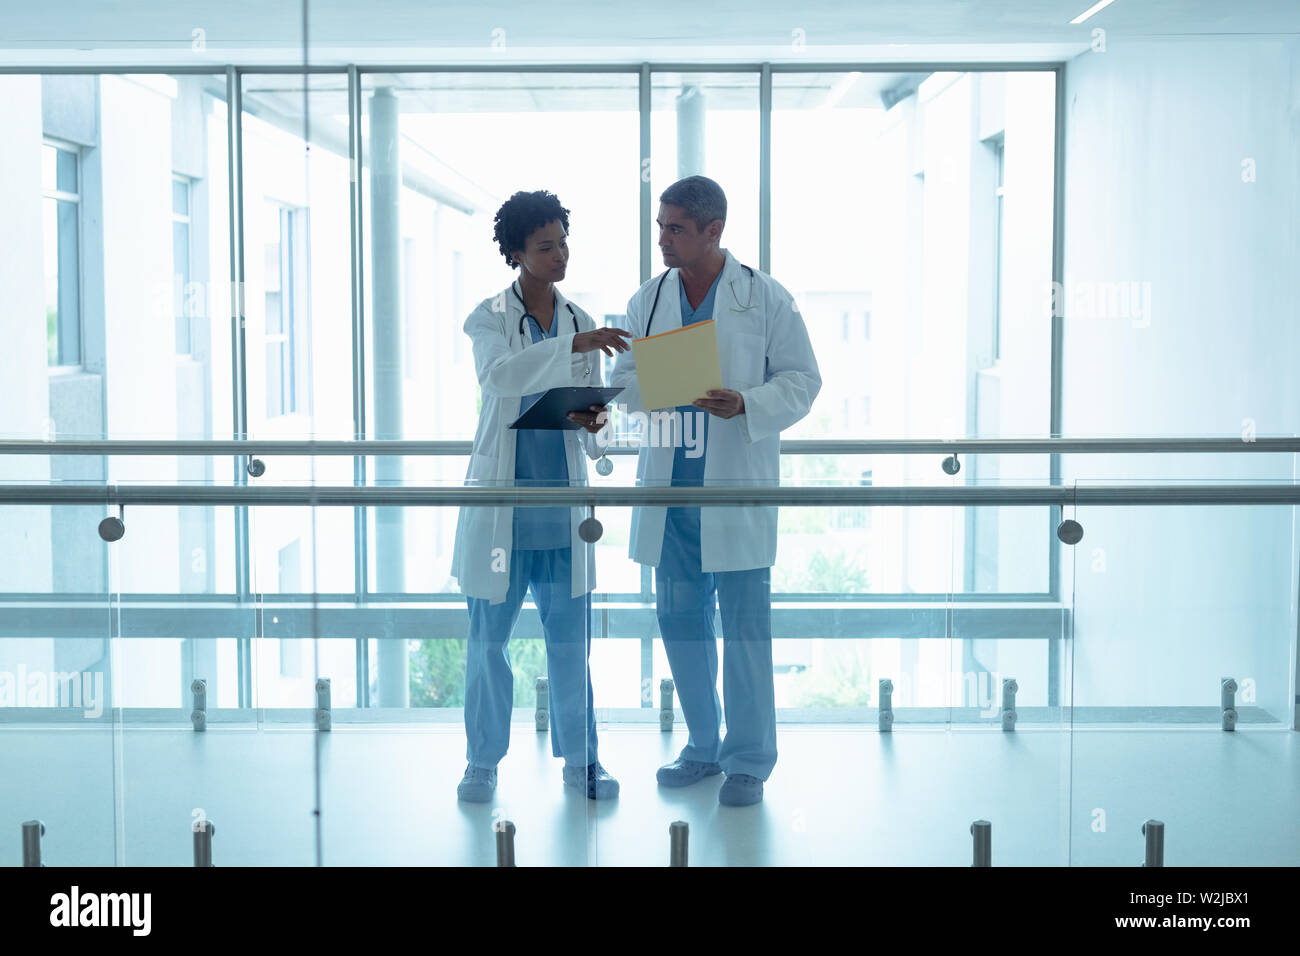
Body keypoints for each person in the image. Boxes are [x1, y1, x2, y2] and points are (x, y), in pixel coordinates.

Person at [610, 176, 821, 806]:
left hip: (733, 491)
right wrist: (657, 381)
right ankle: (702, 746)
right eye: (660, 225)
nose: (663, 239)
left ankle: (750, 760)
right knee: (681, 625)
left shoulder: (766, 299)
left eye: (675, 227)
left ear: (713, 231)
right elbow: (624, 381)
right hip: (671, 493)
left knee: (745, 631)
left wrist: (746, 403)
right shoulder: (647, 299)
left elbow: (803, 381)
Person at [450, 189, 633, 802]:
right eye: (546, 247)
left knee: (569, 650)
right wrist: (571, 349)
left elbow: (591, 419)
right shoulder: (488, 318)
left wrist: (595, 424)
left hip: (560, 513)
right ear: (516, 254)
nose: (560, 256)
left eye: (563, 244)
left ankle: (583, 763)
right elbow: (499, 379)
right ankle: (482, 762)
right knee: (487, 648)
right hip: (503, 512)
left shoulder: (582, 320)